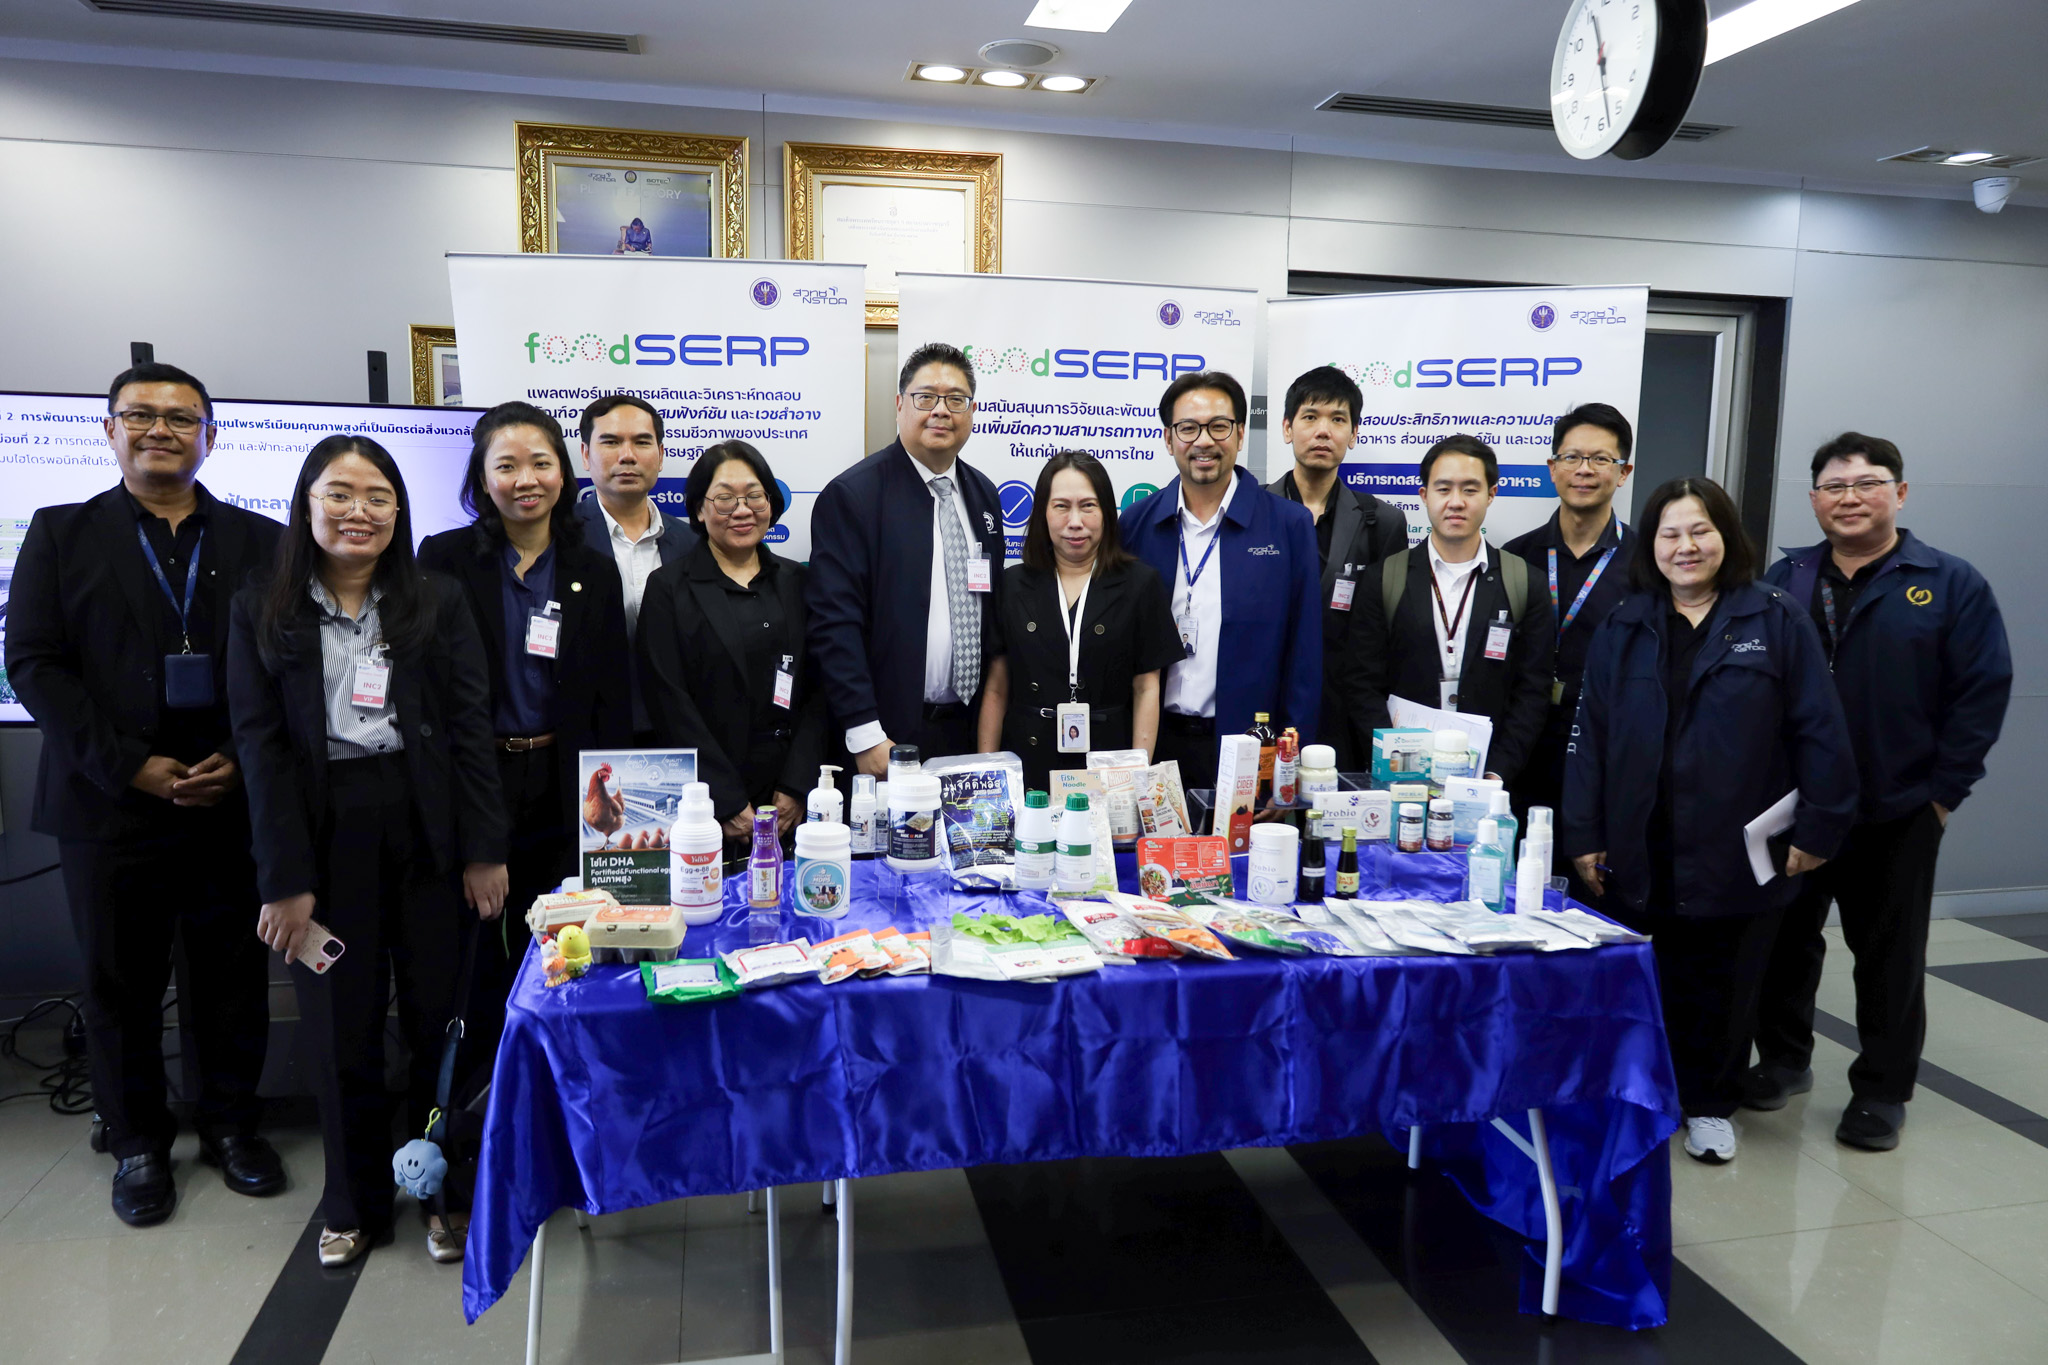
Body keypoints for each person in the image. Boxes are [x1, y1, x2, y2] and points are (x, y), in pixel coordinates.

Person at [5, 362, 286, 1227]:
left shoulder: (262, 539)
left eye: (180, 417)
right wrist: (130, 764)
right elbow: (34, 663)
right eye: (140, 414)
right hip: (110, 802)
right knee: (119, 981)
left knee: (230, 975)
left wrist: (238, 758)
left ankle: (230, 1123)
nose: (160, 429)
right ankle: (136, 1140)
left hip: (229, 796)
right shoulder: (61, 532)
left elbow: (288, 665)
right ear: (110, 429)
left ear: (210, 435)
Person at [227, 436, 508, 1267]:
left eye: (378, 496)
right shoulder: (262, 605)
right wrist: (284, 878)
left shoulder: (435, 598)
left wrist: (483, 849)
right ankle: (351, 1200)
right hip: (325, 833)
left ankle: (440, 1191)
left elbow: (470, 729)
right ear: (307, 503)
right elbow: (260, 749)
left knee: (438, 1022)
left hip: (428, 828)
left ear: (399, 509)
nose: (360, 511)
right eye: (340, 494)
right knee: (337, 1029)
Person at [1564, 477, 1857, 1165]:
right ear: (1652, 545)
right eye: (1670, 533)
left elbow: (1821, 730)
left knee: (1725, 979)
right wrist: (1583, 833)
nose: (1686, 546)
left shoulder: (1776, 618)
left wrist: (1819, 828)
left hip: (1737, 841)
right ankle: (1642, 1096)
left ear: (1727, 536)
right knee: (1643, 977)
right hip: (1640, 838)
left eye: (1701, 530)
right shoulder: (1625, 623)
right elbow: (1588, 736)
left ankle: (1710, 1105)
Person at [1748, 433, 2012, 1151]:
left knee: (1889, 956)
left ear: (1899, 492)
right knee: (1785, 943)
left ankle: (1881, 1091)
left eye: (1866, 484)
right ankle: (1783, 1060)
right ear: (1814, 499)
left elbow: (1980, 693)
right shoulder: (1787, 577)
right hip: (1797, 806)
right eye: (1834, 486)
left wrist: (1943, 795)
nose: (1849, 498)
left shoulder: (1948, 582)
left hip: (1897, 808)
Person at [417, 402, 630, 1082]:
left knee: (566, 945)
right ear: (483, 479)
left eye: (540, 462)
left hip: (564, 782)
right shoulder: (444, 560)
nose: (526, 479)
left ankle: (558, 1085)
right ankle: (472, 1097)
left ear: (563, 473)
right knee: (474, 947)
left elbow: (610, 697)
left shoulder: (592, 569)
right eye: (506, 465)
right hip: (476, 776)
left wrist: (610, 812)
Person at [808, 342, 1006, 772]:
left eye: (956, 399)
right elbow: (834, 624)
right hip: (886, 735)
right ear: (900, 405)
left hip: (969, 730)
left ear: (972, 411)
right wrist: (865, 733)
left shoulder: (984, 495)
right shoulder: (854, 497)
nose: (941, 411)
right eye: (926, 397)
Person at [1120, 371, 1321, 793]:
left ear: (1241, 433)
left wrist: (1288, 765)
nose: (1204, 441)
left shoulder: (1288, 526)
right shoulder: (1137, 524)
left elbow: (1304, 657)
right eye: (1188, 428)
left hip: (1248, 749)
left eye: (1219, 426)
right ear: (1169, 438)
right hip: (1153, 745)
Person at [639, 441, 826, 842]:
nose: (742, 510)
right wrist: (724, 800)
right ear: (699, 509)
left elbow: (820, 689)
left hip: (792, 803)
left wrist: (797, 786)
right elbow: (668, 701)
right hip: (709, 805)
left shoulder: (798, 580)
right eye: (724, 498)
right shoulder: (668, 588)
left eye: (754, 496)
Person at [1344, 434, 1554, 786]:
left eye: (1470, 490)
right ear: (1424, 495)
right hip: (1401, 776)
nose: (1456, 502)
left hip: (1488, 780)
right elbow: (1361, 683)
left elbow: (1533, 691)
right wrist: (1395, 760)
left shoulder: (1524, 582)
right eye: (1443, 489)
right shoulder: (1385, 578)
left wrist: (1497, 771)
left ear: (1491, 494)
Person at [977, 451, 1182, 788]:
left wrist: (1138, 776)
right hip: (1028, 759)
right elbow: (997, 688)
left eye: (1088, 506)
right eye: (1061, 506)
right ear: (1043, 513)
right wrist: (988, 775)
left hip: (1110, 765)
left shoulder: (1140, 584)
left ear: (1107, 513)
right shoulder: (1013, 584)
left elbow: (1147, 688)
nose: (1075, 521)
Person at [1502, 403, 1636, 847]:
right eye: (1572, 457)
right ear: (1552, 468)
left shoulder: (1647, 566)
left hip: (1605, 755)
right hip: (1521, 754)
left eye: (1601, 459)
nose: (1584, 470)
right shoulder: (1514, 558)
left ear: (1623, 473)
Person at [1267, 365, 1410, 771]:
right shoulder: (1254, 512)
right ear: (1287, 428)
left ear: (1354, 433)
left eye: (1338, 420)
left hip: (1346, 711)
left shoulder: (1382, 522)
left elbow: (1388, 633)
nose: (1323, 431)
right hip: (1267, 702)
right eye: (1310, 417)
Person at [576, 394, 696, 739]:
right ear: (585, 454)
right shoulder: (562, 538)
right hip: (590, 731)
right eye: (611, 442)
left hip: (677, 731)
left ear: (661, 455)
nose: (627, 455)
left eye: (642, 442)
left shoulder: (692, 543)